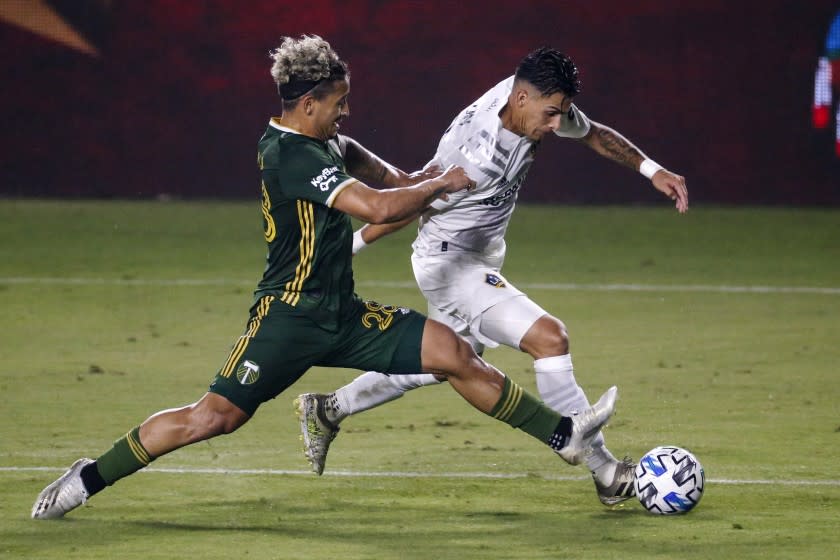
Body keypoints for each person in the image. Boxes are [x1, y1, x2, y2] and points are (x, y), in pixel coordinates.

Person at [31, 35, 619, 520]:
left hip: (343, 311)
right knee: (211, 419)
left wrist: (409, 175)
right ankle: (87, 478)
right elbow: (382, 208)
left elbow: (363, 158)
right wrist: (437, 184)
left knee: (454, 354)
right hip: (288, 317)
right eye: (339, 102)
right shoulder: (290, 156)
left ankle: (563, 438)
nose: (346, 110)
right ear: (308, 103)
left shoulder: (322, 138)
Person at [295, 46, 689, 507]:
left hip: (477, 255)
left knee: (446, 362)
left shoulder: (530, 98)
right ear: (521, 98)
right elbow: (410, 205)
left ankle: (327, 409)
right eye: (549, 115)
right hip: (451, 263)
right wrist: (353, 246)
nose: (555, 126)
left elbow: (592, 133)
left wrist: (652, 169)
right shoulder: (475, 156)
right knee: (549, 338)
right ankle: (605, 473)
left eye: (560, 114)